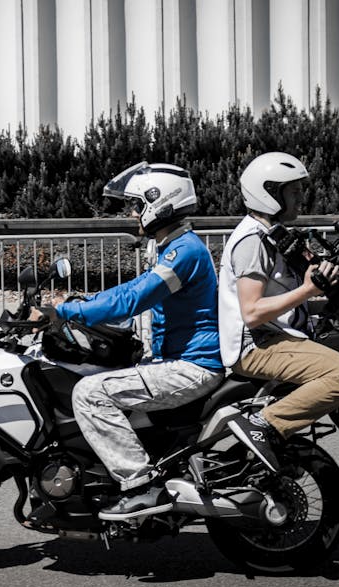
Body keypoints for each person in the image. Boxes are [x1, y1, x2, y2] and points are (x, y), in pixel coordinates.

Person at [32, 161, 224, 519]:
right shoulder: (175, 246)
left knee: (90, 393)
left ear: (159, 201)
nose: (133, 213)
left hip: (191, 367)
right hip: (174, 360)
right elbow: (132, 291)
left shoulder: (185, 251)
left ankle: (140, 485)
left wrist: (65, 312)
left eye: (137, 204)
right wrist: (80, 302)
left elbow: (136, 298)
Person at [218, 151, 339, 472]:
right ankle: (262, 425)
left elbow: (279, 303)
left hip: (272, 338)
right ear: (270, 192)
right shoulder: (251, 242)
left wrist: (329, 303)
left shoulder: (270, 236)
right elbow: (253, 312)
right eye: (294, 191)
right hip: (255, 346)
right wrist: (307, 290)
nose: (301, 197)